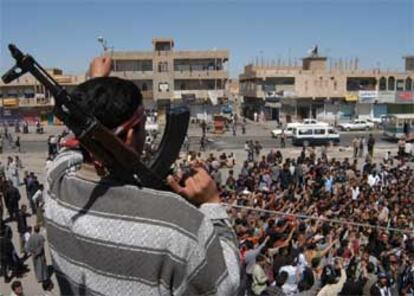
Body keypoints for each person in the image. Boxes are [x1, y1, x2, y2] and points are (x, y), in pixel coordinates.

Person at [44, 56, 240, 295]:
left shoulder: (55, 182)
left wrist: (96, 90)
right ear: (129, 135)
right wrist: (212, 204)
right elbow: (227, 287)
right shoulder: (179, 223)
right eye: (143, 125)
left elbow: (76, 141)